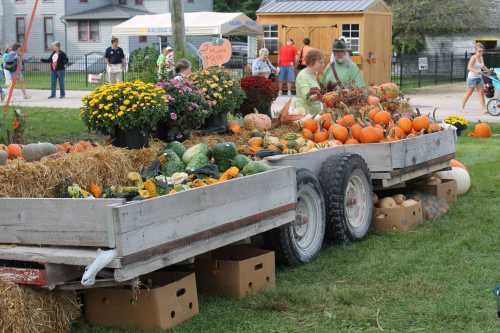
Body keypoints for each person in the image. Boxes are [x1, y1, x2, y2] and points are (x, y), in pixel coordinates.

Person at [295, 48, 324, 115]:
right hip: (305, 114)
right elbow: (307, 97)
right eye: (320, 62)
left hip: (314, 114)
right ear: (312, 62)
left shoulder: (314, 74)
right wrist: (321, 97)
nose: (323, 64)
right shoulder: (303, 76)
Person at [462, 43, 488, 113]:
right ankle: (462, 107)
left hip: (479, 78)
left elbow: (483, 66)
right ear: (476, 51)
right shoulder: (473, 57)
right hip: (472, 78)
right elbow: (469, 67)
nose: (481, 53)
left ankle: (484, 109)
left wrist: (488, 71)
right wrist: (477, 71)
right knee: (469, 93)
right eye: (479, 51)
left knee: (481, 93)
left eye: (482, 51)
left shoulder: (481, 57)